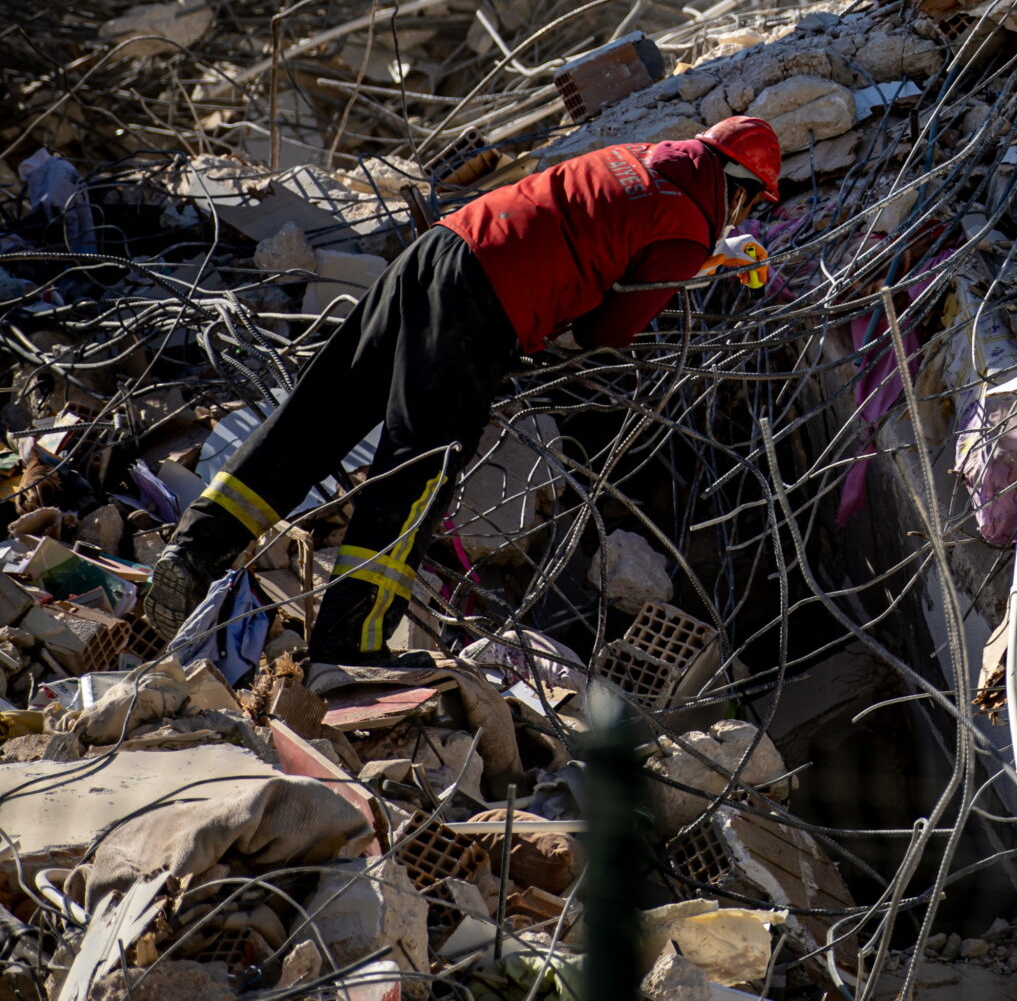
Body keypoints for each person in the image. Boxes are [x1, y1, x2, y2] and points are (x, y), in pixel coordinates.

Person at [140, 114, 784, 668]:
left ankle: (194, 551)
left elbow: (610, 233)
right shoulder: (690, 221)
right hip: (483, 302)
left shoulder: (635, 160)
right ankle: (347, 642)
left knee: (318, 418)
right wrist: (688, 266)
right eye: (753, 202)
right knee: (419, 466)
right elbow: (609, 329)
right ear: (741, 190)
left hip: (437, 251)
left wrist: (699, 258)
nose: (747, 213)